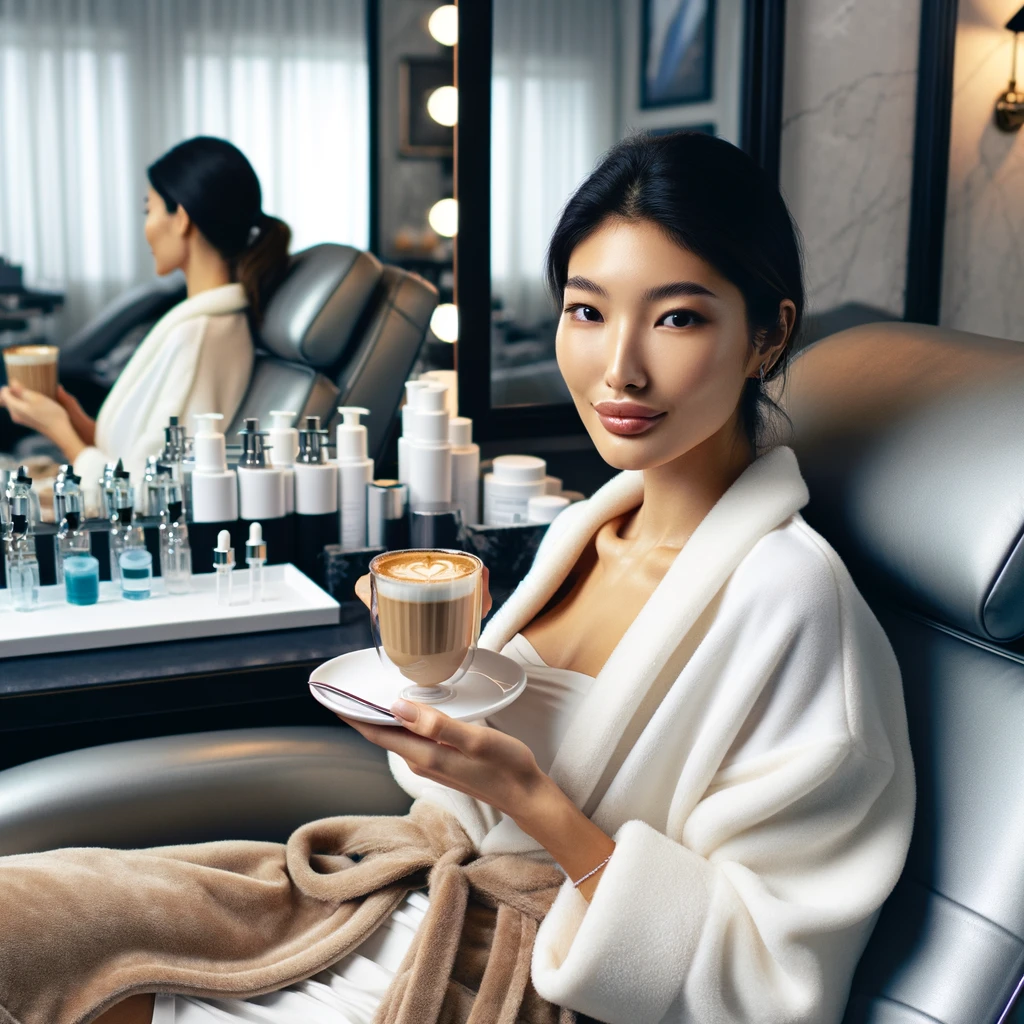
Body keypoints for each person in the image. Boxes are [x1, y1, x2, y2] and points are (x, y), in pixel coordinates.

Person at [0, 131, 915, 1024]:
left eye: (677, 317)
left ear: (768, 334)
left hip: (529, 978)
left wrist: (530, 801)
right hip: (401, 899)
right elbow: (482, 778)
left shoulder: (795, 606)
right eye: (587, 310)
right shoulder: (584, 531)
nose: (619, 367)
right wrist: (422, 686)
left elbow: (771, 989)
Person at [0, 136, 290, 508]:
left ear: (182, 218)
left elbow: (143, 495)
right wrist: (73, 420)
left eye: (148, 210)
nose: (146, 227)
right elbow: (137, 454)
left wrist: (58, 431)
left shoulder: (202, 336)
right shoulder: (199, 323)